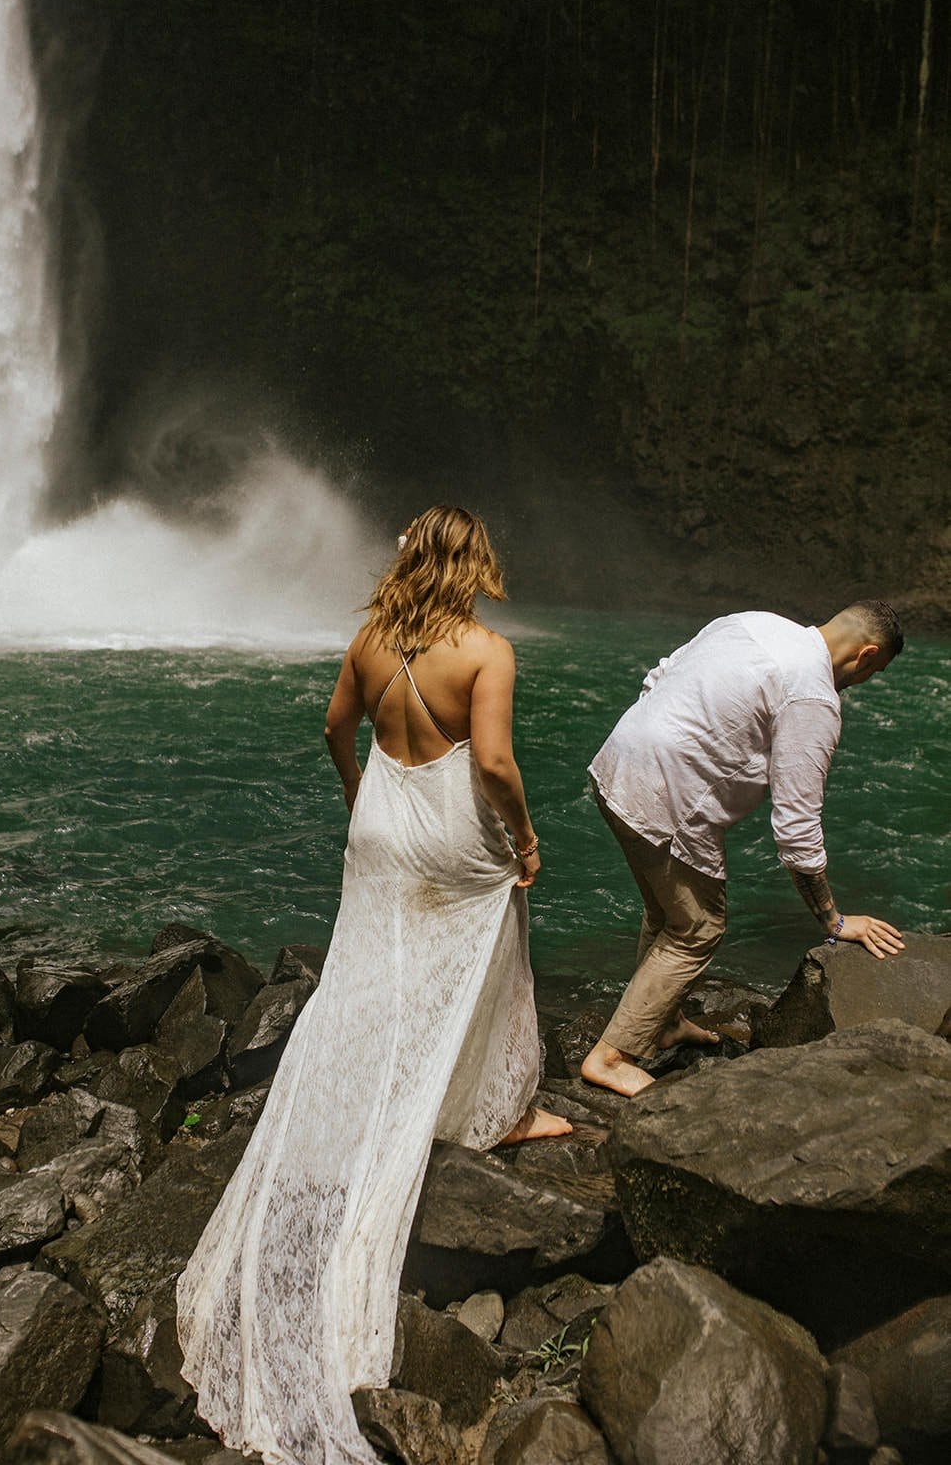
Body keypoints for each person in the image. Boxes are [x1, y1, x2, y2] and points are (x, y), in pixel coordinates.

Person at [176, 506, 570, 1465]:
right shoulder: (485, 651)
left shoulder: (367, 639)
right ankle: (490, 1105)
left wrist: (362, 796)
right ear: (473, 563)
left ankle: (363, 1092)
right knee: (489, 929)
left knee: (363, 972)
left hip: (380, 823)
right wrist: (522, 836)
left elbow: (332, 728)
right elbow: (493, 763)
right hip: (448, 826)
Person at [582, 601, 906, 1098]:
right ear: (866, 656)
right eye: (875, 672)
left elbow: (660, 675)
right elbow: (797, 827)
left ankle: (664, 1023)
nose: (865, 681)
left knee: (666, 907)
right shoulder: (814, 697)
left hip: (618, 760)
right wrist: (835, 921)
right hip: (667, 797)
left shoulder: (754, 622)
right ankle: (612, 1056)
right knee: (698, 928)